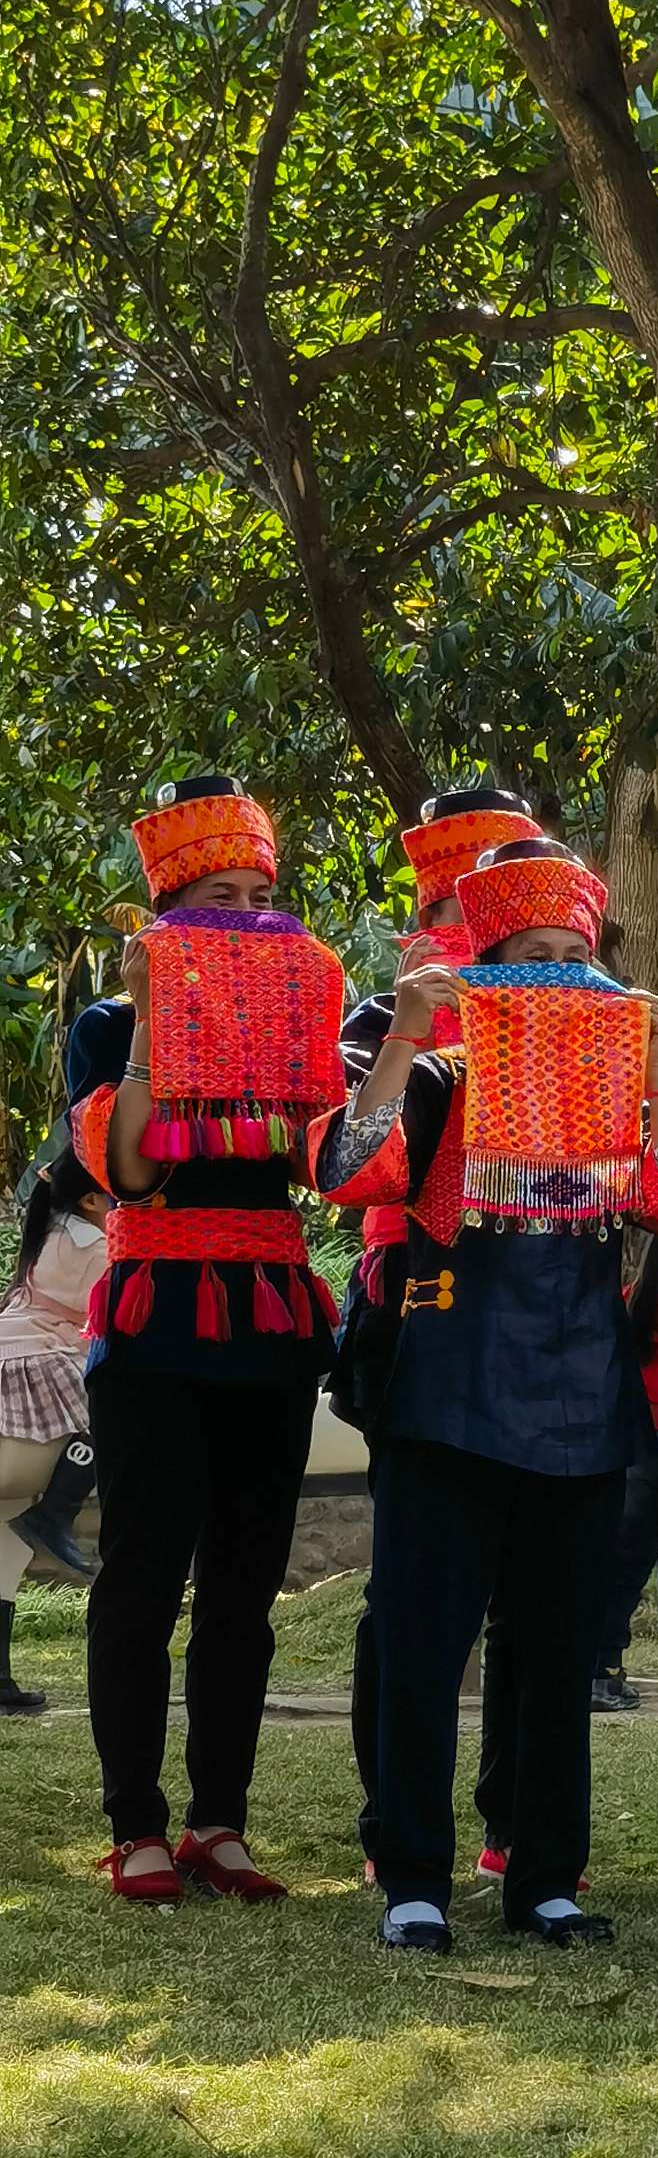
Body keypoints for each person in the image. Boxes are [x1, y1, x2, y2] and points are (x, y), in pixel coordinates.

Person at [318, 845, 658, 1952]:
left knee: (556, 1651)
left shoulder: (615, 1095)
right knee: (426, 1648)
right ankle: (414, 1881)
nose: (558, 977)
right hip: (446, 1393)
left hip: (584, 1392)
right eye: (530, 958)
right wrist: (402, 1037)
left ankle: (546, 1881)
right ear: (481, 972)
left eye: (576, 958)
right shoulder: (438, 1083)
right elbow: (345, 1169)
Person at [68, 776, 342, 1905]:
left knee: (245, 1579)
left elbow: (319, 1164)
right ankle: (136, 1823)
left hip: (268, 1313)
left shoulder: (287, 1014)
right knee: (142, 1572)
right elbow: (126, 1167)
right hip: (156, 1318)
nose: (242, 914)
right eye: (216, 895)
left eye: (259, 894)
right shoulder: (105, 1021)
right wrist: (144, 1015)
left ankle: (218, 1824)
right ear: (164, 909)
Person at [0, 1157, 103, 1705]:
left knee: (1, 1549)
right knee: (112, 1416)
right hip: (42, 1355)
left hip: (10, 1342)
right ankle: (56, 1511)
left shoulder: (50, 1228)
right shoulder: (99, 1247)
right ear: (91, 1200)